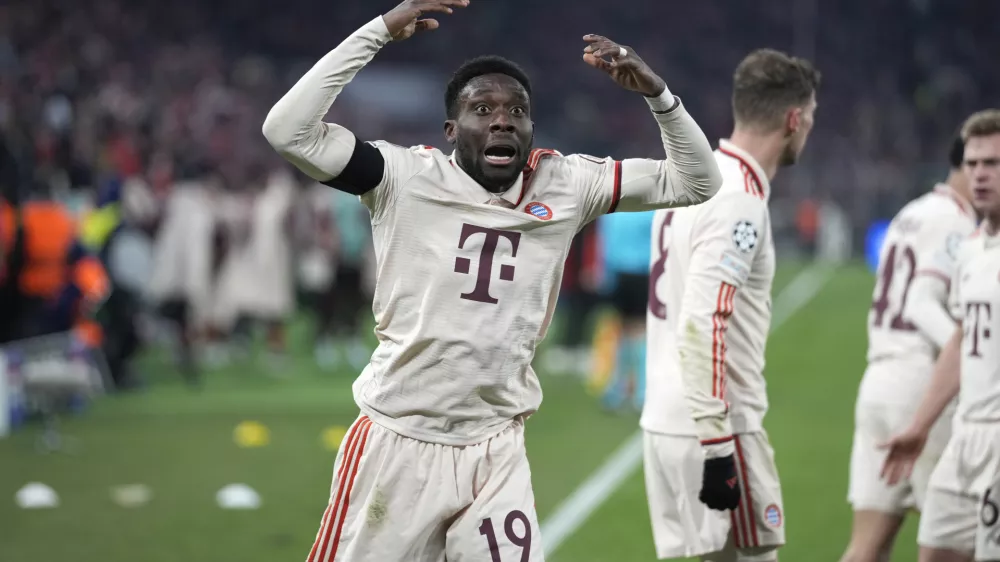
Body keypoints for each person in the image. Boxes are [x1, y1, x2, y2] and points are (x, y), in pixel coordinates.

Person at [262, 0, 723, 559]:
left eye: (517, 111)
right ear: (453, 130)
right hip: (400, 438)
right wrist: (379, 31)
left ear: (530, 127)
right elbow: (287, 130)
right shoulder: (404, 177)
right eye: (483, 109)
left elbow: (698, 181)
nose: (503, 119)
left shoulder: (567, 183)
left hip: (495, 446)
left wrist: (659, 96)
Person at [641, 48, 820, 561]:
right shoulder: (738, 199)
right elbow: (704, 321)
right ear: (794, 119)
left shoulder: (694, 179)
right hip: (715, 426)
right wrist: (719, 444)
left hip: (667, 418)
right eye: (809, 119)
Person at [840, 137, 978, 562]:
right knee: (955, 545)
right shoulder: (960, 224)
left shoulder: (911, 213)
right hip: (922, 383)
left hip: (879, 379)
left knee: (866, 546)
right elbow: (921, 306)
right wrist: (971, 349)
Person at [882, 109, 1000, 562]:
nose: (980, 175)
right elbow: (961, 342)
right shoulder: (971, 250)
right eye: (972, 164)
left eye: (993, 163)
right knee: (934, 553)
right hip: (965, 436)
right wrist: (919, 427)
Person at [597, 209, 655, 412]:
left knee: (622, 330)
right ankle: (641, 392)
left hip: (619, 273)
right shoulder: (651, 211)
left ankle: (616, 389)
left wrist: (604, 274)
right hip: (642, 273)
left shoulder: (612, 212)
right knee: (641, 331)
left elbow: (604, 245)